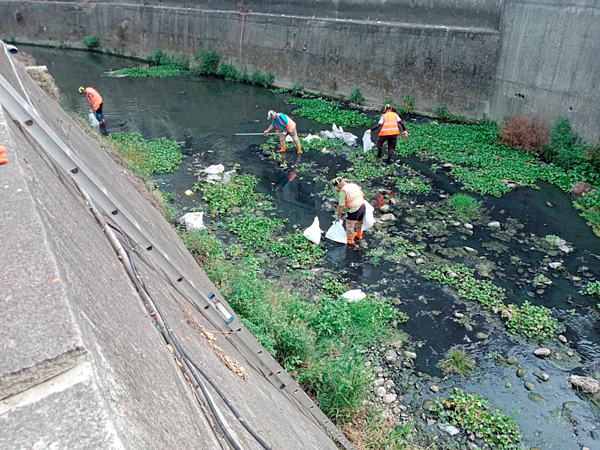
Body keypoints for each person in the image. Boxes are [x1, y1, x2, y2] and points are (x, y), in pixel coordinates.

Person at [332, 177, 366, 245]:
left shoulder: (343, 192)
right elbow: (363, 195)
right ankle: (359, 235)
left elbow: (341, 206)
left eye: (336, 186)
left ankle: (350, 241)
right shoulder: (353, 185)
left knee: (350, 225)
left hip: (354, 211)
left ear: (339, 185)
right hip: (362, 207)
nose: (337, 188)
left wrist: (338, 216)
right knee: (359, 222)